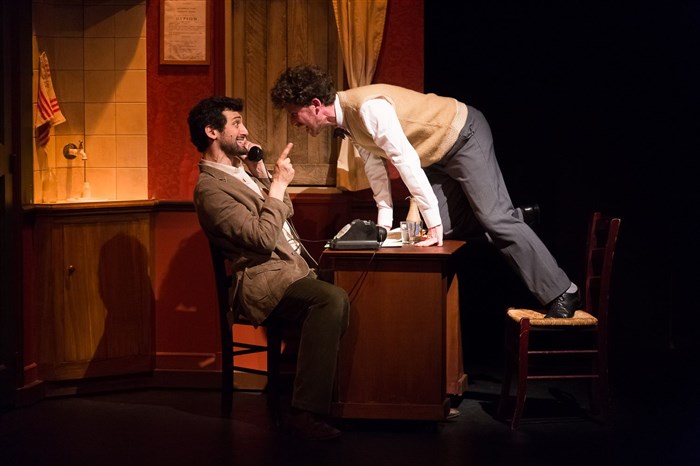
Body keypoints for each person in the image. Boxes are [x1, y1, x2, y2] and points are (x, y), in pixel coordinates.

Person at [270, 65, 579, 318]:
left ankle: (563, 290)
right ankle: (518, 219)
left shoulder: (367, 107)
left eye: (294, 113)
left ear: (315, 105)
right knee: (447, 229)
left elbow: (404, 160)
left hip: (463, 134)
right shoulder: (348, 122)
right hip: (435, 158)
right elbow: (375, 170)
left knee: (493, 220)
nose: (294, 122)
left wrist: (432, 222)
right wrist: (382, 228)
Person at [187, 96, 350, 440]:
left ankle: (353, 398)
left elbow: (284, 212)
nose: (245, 130)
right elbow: (262, 239)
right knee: (330, 300)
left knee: (353, 285)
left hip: (290, 269)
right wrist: (275, 186)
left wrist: (263, 176)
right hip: (264, 279)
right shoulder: (210, 190)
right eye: (236, 123)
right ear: (212, 131)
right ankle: (304, 413)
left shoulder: (242, 173)